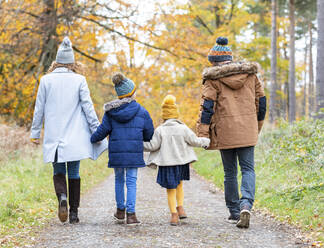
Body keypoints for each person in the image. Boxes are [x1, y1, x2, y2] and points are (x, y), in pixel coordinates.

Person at [30, 37, 107, 224]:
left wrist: (34, 134)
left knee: (58, 171)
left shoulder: (46, 80)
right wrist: (98, 132)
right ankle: (73, 213)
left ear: (56, 61)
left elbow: (38, 109)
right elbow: (88, 108)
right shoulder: (79, 80)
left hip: (54, 137)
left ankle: (62, 198)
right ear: (72, 62)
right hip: (75, 137)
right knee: (74, 172)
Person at [196, 37, 266, 228]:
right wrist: (256, 126)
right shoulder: (251, 76)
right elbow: (262, 103)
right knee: (248, 169)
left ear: (214, 62)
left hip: (225, 132)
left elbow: (207, 109)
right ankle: (246, 204)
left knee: (229, 172)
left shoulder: (213, 79)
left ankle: (235, 211)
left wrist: (203, 134)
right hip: (248, 129)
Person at [90, 73, 154, 226]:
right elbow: (149, 133)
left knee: (119, 180)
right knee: (131, 182)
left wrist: (92, 139)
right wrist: (141, 137)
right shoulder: (142, 111)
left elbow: (102, 131)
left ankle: (120, 212)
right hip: (133, 153)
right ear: (132, 92)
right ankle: (131, 215)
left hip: (117, 154)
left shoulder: (111, 112)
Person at [144, 95, 210, 226]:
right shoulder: (183, 128)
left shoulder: (160, 130)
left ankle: (174, 214)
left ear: (164, 115)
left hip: (167, 164)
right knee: (179, 184)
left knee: (170, 189)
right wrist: (206, 141)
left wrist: (137, 144)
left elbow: (152, 146)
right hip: (181, 163)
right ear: (176, 114)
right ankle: (181, 208)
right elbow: (195, 141)